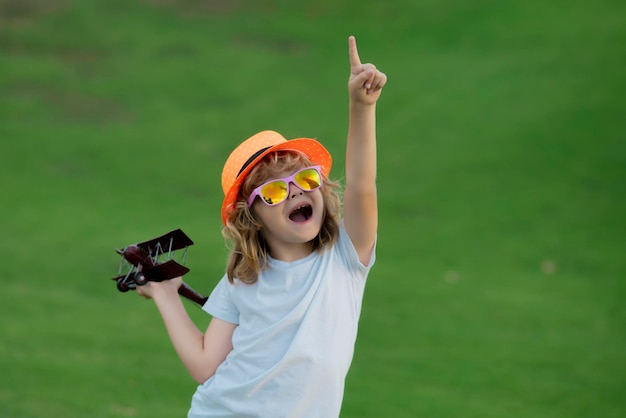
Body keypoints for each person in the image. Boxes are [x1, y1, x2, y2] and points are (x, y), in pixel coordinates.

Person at [136, 35, 387, 417]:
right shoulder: (242, 280)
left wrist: (361, 106)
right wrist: (166, 294)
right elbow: (206, 366)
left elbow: (363, 184)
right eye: (272, 191)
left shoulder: (344, 257)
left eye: (304, 180)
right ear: (251, 217)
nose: (292, 193)